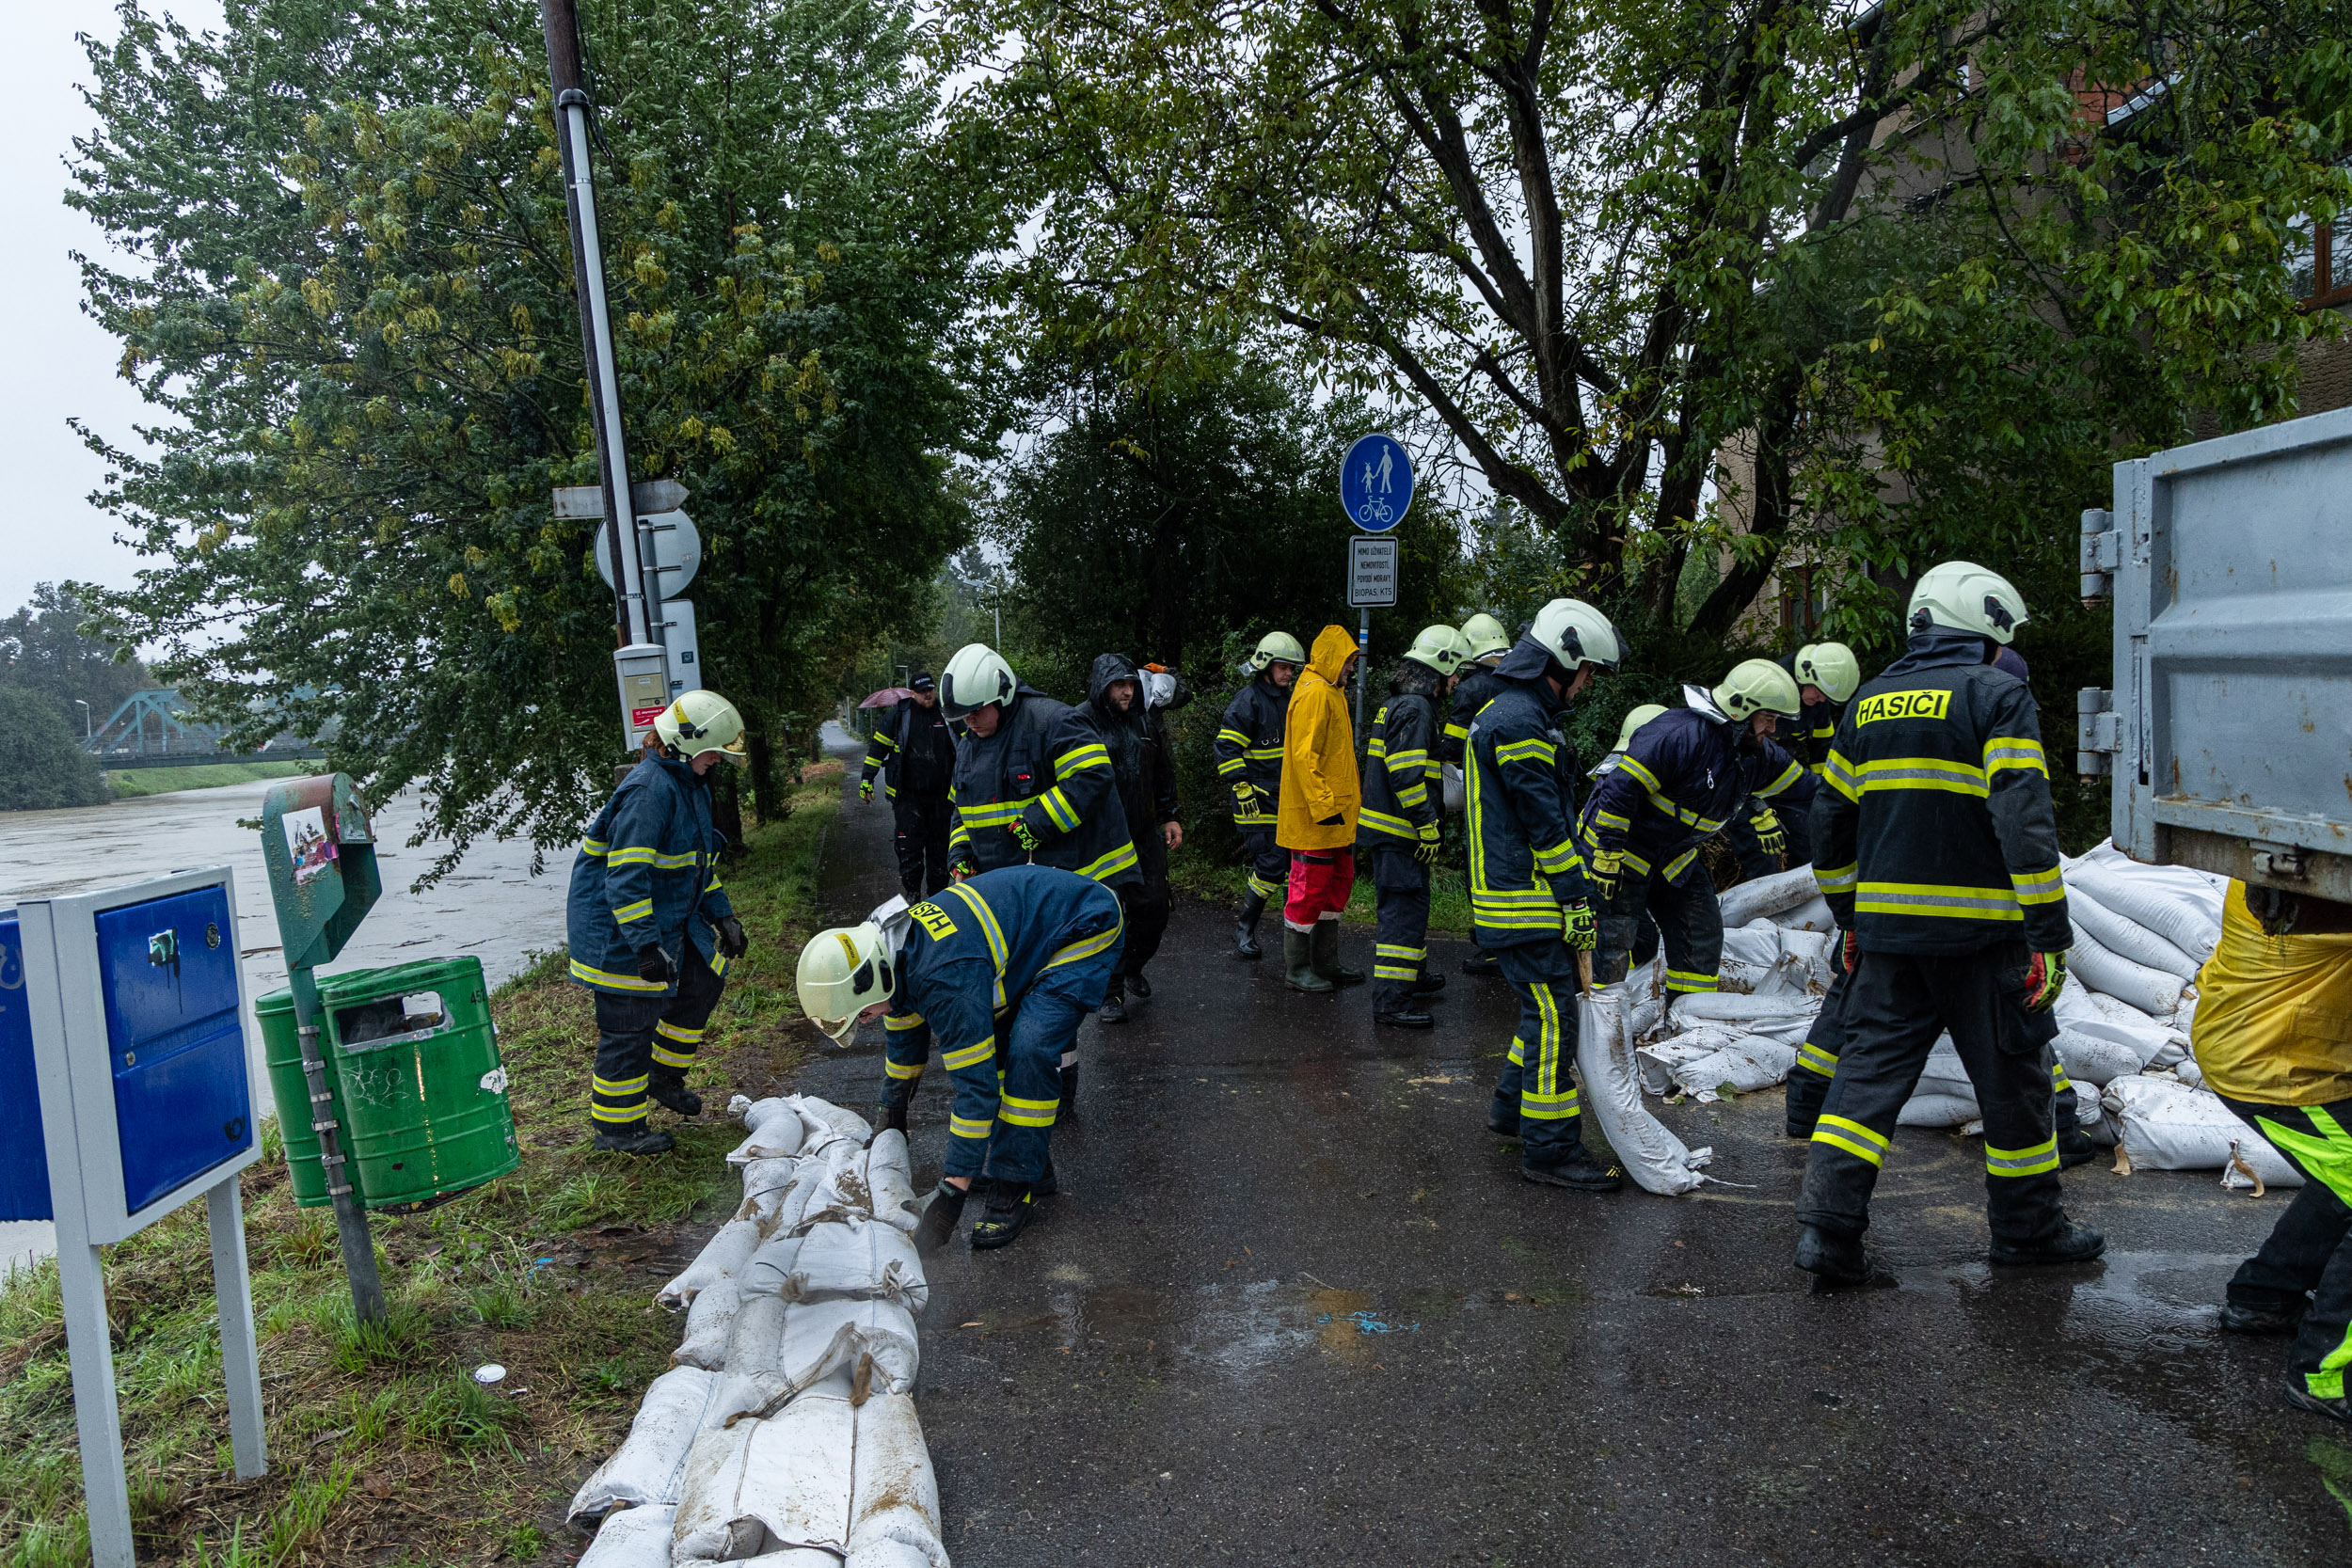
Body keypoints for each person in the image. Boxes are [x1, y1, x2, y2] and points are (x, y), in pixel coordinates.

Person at [1794, 560, 2104, 1284]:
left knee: (1863, 1087)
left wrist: (1850, 916)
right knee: (2015, 1090)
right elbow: (2024, 819)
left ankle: (1828, 1238)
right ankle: (2027, 1232)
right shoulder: (1998, 695)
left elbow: (1829, 825)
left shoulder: (1866, 702)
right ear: (1987, 629)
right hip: (1985, 941)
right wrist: (2049, 934)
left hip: (1890, 944)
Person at [795, 864, 1123, 1253]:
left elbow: (976, 1091)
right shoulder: (889, 950)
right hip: (1035, 929)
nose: (867, 1022)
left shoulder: (944, 978)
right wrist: (892, 1109)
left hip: (1084, 925)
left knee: (1029, 1049)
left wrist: (952, 1191)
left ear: (871, 982)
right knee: (1002, 1054)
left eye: (863, 1014)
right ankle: (1030, 1166)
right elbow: (903, 1030)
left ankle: (1015, 1187)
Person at [1471, 600, 1625, 1190]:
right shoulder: (1518, 721)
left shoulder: (1513, 713)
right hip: (1526, 902)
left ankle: (1512, 1112)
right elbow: (1543, 824)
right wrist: (1576, 898)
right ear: (1562, 658)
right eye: (1587, 672)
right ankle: (1551, 1148)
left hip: (1519, 900)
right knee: (1555, 1015)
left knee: (1541, 1012)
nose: (1587, 685)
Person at [2193, 880, 2352, 1422]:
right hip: (2280, 1065)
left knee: (2343, 1175)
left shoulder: (2279, 859)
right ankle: (2327, 1376)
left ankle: (2265, 1298)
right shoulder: (2324, 891)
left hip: (2274, 1044)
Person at [566, 690, 751, 1155]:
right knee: (629, 1027)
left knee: (703, 980)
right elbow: (626, 880)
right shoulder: (649, 793)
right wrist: (646, 947)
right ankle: (617, 1132)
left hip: (669, 917)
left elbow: (695, 865)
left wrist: (722, 915)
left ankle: (662, 1077)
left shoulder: (690, 786)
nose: (719, 760)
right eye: (715, 751)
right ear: (687, 744)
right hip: (622, 930)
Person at [1581, 660, 1817, 1006]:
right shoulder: (1678, 735)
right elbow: (1620, 789)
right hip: (1620, 855)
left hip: (1673, 857)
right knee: (1616, 943)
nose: (1773, 728)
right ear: (1741, 709)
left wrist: (1864, 800)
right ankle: (1599, 1032)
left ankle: (1686, 1019)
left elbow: (1808, 790)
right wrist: (1608, 852)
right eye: (1768, 718)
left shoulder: (1757, 755)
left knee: (1700, 930)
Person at [1358, 626, 1468, 1028]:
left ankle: (1413, 979)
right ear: (1438, 668)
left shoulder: (1399, 704)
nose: (1456, 681)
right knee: (1402, 917)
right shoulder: (1417, 710)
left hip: (1391, 833)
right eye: (1455, 671)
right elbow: (1406, 775)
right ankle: (1391, 1003)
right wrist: (1427, 825)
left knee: (1411, 908)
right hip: (1401, 834)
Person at [1074, 653, 1182, 1023]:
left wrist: (1170, 815)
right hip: (1103, 836)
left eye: (1130, 684)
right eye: (1118, 685)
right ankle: (1110, 993)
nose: (1126, 691)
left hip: (1144, 830)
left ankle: (1133, 965)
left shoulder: (1144, 719)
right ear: (1102, 687)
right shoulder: (1080, 722)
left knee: (1154, 908)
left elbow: (1162, 769)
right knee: (1111, 913)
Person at [1721, 641, 1863, 877]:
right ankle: (1761, 908)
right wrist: (1756, 806)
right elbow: (1732, 757)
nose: (1820, 700)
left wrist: (1824, 797)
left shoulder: (1817, 700)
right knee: (1762, 851)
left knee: (1810, 836)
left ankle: (1801, 907)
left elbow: (1823, 749)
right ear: (1803, 675)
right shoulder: (1765, 687)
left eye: (1826, 697)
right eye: (1818, 693)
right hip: (1739, 786)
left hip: (1781, 780)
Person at [1277, 626, 1365, 993]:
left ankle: (1325, 962)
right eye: (1347, 661)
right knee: (1308, 890)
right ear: (1333, 658)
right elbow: (1304, 756)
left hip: (1334, 820)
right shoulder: (1315, 694)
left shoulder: (1331, 692)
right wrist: (1325, 806)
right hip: (1319, 818)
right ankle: (1297, 968)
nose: (1351, 668)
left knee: (1336, 886)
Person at [1215, 631, 1305, 960]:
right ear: (1265, 666)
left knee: (1290, 865)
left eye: (1292, 668)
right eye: (1283, 667)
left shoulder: (1290, 699)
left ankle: (1290, 933)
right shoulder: (1248, 701)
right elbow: (1226, 747)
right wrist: (1240, 784)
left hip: (1286, 798)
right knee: (1271, 863)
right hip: (1254, 799)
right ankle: (1244, 928)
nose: (1288, 673)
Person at [1441, 612, 1515, 981]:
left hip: (1485, 792)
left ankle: (1493, 946)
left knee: (1484, 868)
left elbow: (1454, 744)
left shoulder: (1472, 687)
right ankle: (1507, 937)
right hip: (1519, 789)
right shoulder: (1520, 678)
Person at [859, 672, 958, 899]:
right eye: (923, 691)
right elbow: (877, 749)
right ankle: (913, 894)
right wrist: (867, 779)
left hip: (942, 800)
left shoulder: (946, 714)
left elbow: (965, 746)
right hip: (908, 799)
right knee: (909, 849)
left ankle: (938, 896)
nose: (928, 694)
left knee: (940, 850)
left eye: (931, 689)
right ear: (912, 693)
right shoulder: (899, 716)